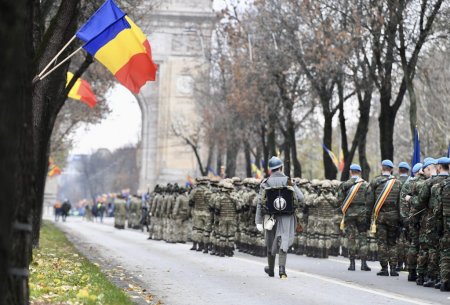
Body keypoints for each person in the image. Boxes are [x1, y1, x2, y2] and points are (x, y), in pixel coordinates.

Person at [255, 156, 304, 279]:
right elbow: (301, 198)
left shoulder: (265, 183)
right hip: (287, 215)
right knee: (284, 240)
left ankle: (271, 269)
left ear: (270, 170)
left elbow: (260, 203)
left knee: (270, 241)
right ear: (281, 167)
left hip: (269, 216)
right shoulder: (289, 181)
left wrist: (258, 221)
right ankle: (282, 270)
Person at [366, 160, 402, 276]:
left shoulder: (375, 181)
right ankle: (393, 268)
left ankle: (384, 269)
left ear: (382, 168)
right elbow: (400, 203)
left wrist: (369, 217)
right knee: (392, 243)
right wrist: (401, 218)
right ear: (391, 170)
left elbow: (370, 202)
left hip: (380, 217)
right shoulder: (397, 183)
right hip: (394, 217)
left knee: (382, 243)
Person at [337, 164, 371, 271]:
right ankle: (364, 264)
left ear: (351, 172)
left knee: (351, 238)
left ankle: (352, 264)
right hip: (362, 214)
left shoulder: (345, 185)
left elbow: (339, 199)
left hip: (349, 214)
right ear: (360, 172)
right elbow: (370, 201)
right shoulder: (366, 185)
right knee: (363, 238)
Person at [400, 163, 425, 281]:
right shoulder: (425, 182)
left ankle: (412, 271)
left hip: (413, 218)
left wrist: (405, 218)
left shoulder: (409, 184)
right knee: (421, 246)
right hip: (421, 219)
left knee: (414, 245)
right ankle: (419, 272)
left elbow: (403, 203)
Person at [434, 157, 450, 291]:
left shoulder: (443, 186)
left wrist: (438, 226)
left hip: (446, 223)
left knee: (445, 252)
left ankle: (445, 282)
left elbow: (438, 209)